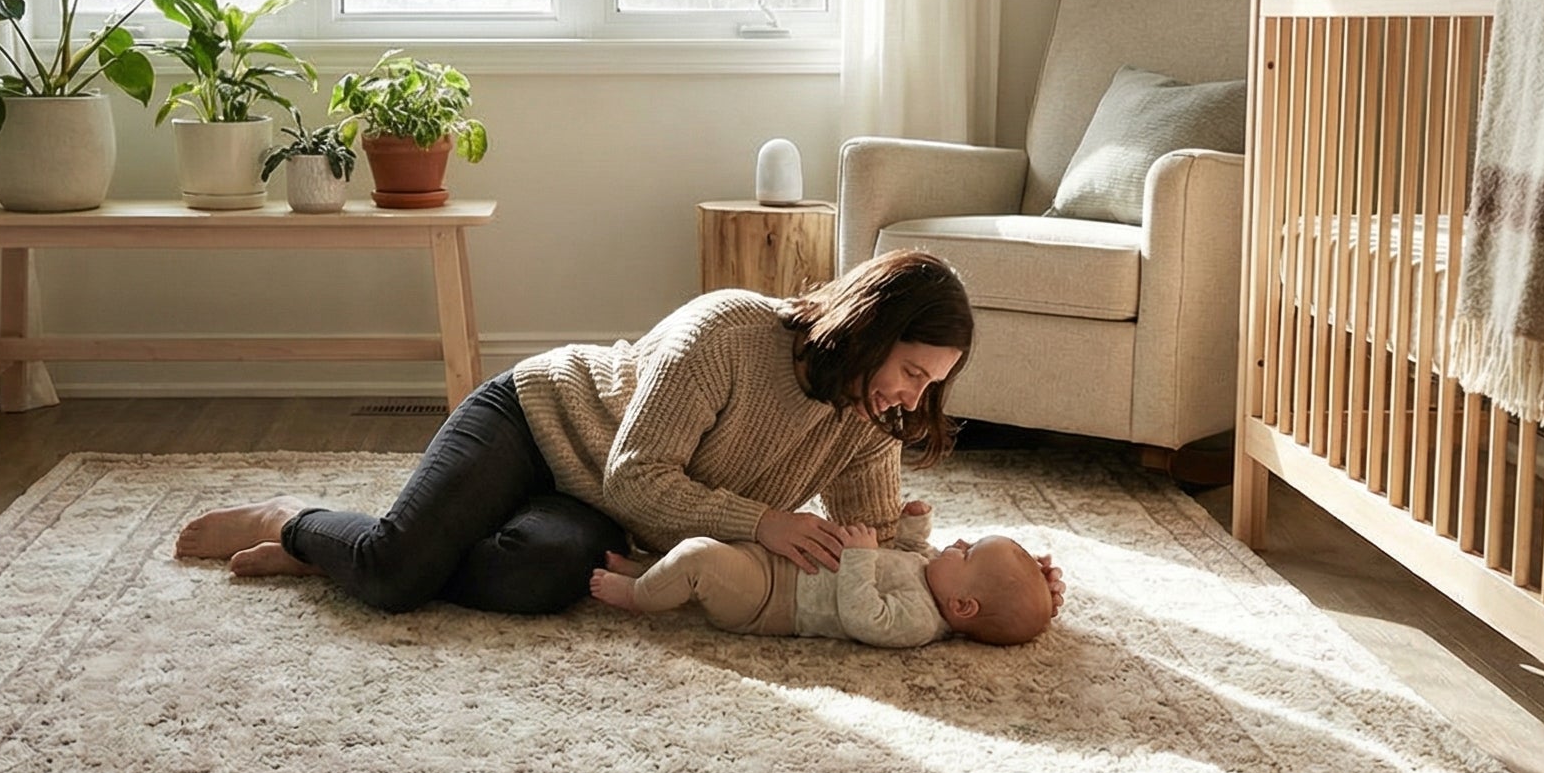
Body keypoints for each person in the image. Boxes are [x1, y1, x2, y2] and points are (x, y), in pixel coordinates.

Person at [174, 249, 1066, 618]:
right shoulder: (730, 330)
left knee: (543, 579)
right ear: (871, 328)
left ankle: (366, 542)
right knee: (393, 578)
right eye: (912, 370)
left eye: (930, 386)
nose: (914, 400)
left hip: (603, 504)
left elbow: (880, 545)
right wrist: (760, 525)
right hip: (539, 422)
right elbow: (641, 479)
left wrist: (994, 569)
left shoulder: (871, 421)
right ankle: (297, 523)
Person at [588, 502, 1054, 648]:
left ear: (962, 606)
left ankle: (638, 595)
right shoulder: (934, 573)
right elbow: (912, 551)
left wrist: (859, 558)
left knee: (699, 559)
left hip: (770, 600)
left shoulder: (919, 622)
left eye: (967, 553)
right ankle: (650, 570)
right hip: (778, 563)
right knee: (708, 550)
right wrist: (915, 526)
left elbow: (864, 617)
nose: (957, 544)